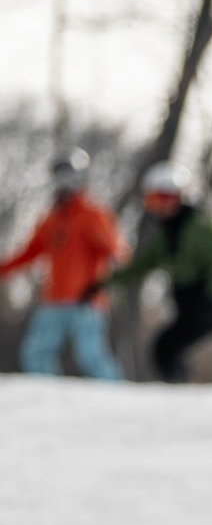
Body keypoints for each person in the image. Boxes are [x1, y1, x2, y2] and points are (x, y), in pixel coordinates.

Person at [1, 150, 125, 380]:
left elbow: (116, 251)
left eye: (69, 177)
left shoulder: (93, 214)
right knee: (35, 354)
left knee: (92, 356)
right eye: (59, 177)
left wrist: (110, 262)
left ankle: (117, 397)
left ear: (80, 178)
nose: (64, 184)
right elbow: (28, 253)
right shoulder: (51, 219)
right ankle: (47, 400)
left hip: (85, 301)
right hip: (54, 299)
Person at [103, 162, 212, 383]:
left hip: (205, 304)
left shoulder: (199, 227)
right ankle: (176, 384)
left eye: (163, 199)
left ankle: (179, 387)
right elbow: (142, 265)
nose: (158, 206)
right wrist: (106, 281)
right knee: (165, 347)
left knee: (167, 345)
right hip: (185, 304)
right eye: (153, 200)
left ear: (177, 197)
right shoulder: (165, 236)